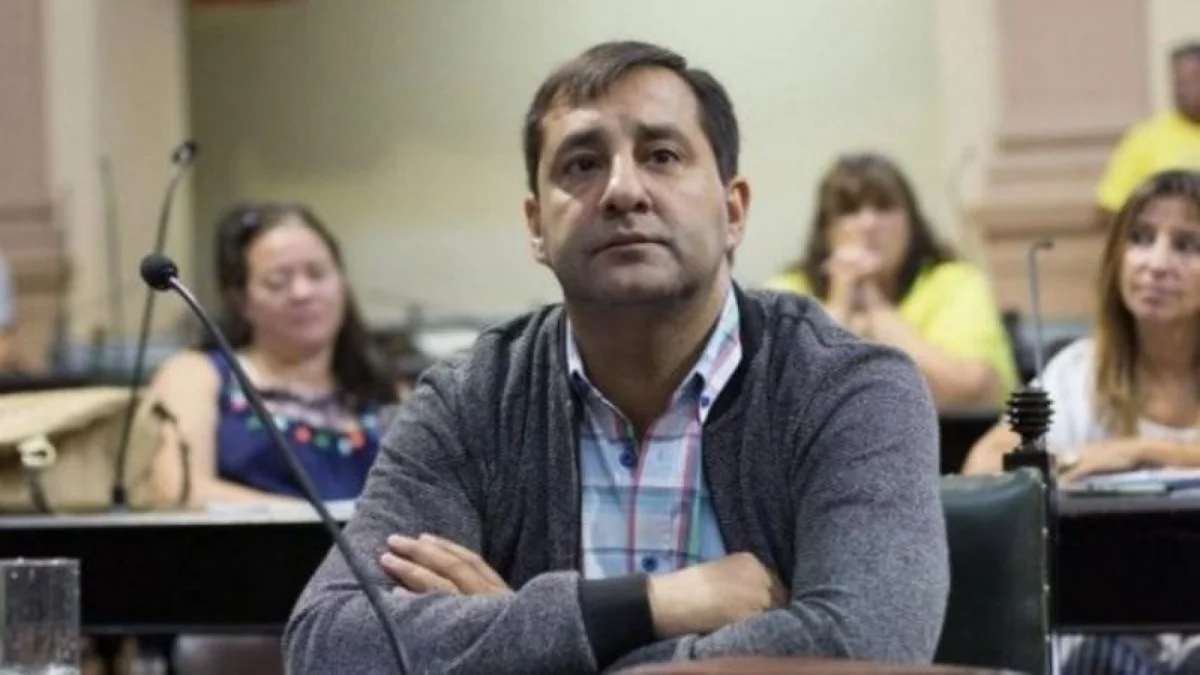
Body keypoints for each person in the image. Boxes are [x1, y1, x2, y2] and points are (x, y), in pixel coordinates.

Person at [284, 41, 949, 674]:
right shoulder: (470, 400)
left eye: (662, 155)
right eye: (582, 164)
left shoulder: (848, 389)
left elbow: (865, 648)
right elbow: (327, 645)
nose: (623, 190)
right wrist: (649, 604)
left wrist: (527, 640)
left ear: (734, 211)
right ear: (536, 226)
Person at [963, 170, 1200, 674]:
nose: (1156, 264)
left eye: (1186, 245)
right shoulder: (1078, 370)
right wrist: (1040, 466)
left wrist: (1141, 452)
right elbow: (981, 465)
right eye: (1141, 238)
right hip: (1106, 628)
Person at [149, 202, 399, 508]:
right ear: (240, 301)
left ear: (342, 281)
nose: (302, 292)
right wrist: (322, 521)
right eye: (277, 282)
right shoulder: (198, 375)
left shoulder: (385, 392)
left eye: (317, 274)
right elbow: (179, 491)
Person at [764, 152, 1017, 410]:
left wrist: (878, 310)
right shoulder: (787, 292)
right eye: (849, 210)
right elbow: (778, 400)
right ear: (826, 229)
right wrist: (840, 304)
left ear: (911, 222)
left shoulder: (956, 283)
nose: (868, 223)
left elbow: (971, 392)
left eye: (884, 207)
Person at [1094, 40, 1200, 229]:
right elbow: (1108, 209)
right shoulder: (1145, 138)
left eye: (1196, 79)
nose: (1190, 89)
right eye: (1182, 82)